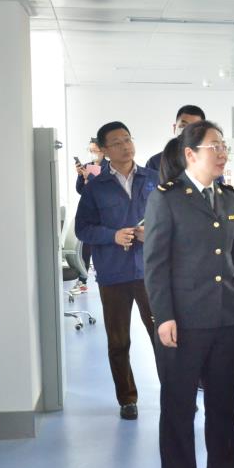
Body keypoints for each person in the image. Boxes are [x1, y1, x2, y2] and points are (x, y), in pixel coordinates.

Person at [143, 120, 234, 468]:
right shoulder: (167, 198)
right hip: (184, 320)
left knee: (224, 402)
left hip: (226, 315)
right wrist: (163, 316)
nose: (223, 153)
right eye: (214, 146)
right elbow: (155, 264)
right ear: (190, 154)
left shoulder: (228, 197)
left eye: (224, 145)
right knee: (178, 404)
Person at [74, 122, 157, 421]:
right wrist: (113, 236)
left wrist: (152, 232)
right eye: (117, 142)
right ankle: (127, 398)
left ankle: (177, 392)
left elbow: (171, 221)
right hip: (113, 274)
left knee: (163, 335)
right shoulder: (95, 187)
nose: (125, 146)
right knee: (119, 341)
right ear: (105, 150)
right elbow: (83, 229)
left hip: (151, 272)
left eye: (127, 139)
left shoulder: (154, 179)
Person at [74, 137, 108, 292]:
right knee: (85, 247)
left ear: (103, 151)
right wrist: (81, 176)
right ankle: (82, 279)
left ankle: (104, 278)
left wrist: (90, 177)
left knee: (102, 246)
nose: (92, 153)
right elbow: (80, 190)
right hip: (88, 212)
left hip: (103, 213)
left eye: (95, 150)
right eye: (90, 150)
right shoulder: (87, 166)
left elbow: (105, 190)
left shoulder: (109, 167)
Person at [146, 105, 206, 173]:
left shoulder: (210, 161)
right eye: (183, 125)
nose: (188, 131)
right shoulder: (155, 163)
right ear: (175, 128)